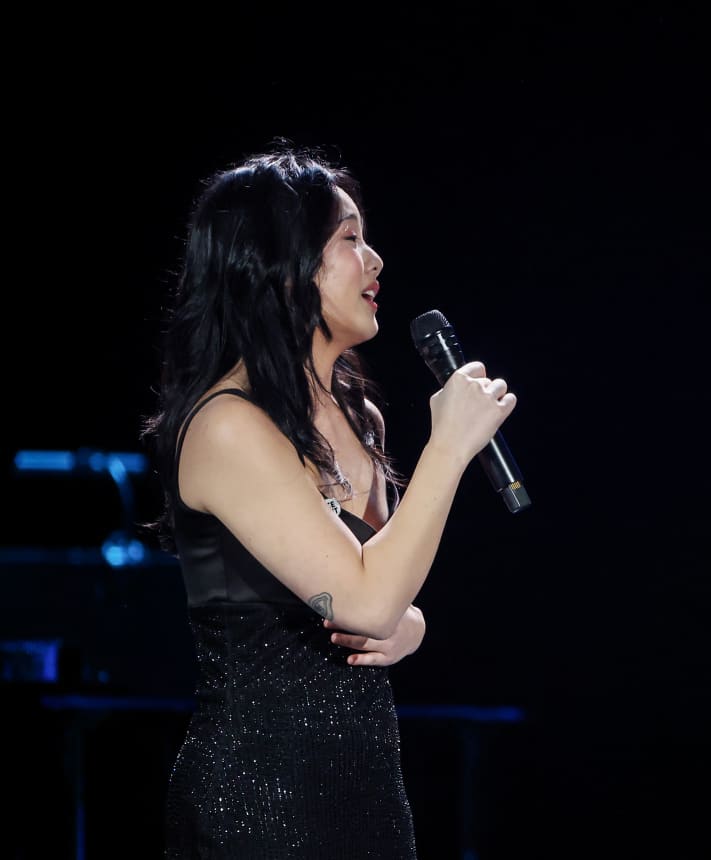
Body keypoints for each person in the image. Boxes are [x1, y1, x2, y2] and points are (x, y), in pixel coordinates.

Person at [141, 145, 516, 858]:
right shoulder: (227, 425)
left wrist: (415, 625)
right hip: (256, 801)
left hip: (365, 787)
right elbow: (363, 603)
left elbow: (383, 586)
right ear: (281, 265)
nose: (374, 260)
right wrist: (448, 450)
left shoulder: (359, 415)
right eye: (349, 238)